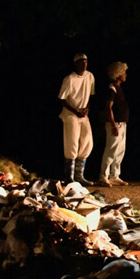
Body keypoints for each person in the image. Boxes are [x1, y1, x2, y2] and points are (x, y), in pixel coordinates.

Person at [58, 53, 95, 186]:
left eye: (86, 61)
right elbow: (62, 99)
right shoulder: (69, 79)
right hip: (70, 115)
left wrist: (87, 109)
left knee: (87, 142)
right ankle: (69, 177)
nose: (85, 64)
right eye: (82, 62)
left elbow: (91, 95)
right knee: (72, 143)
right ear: (76, 63)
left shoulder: (90, 76)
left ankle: (79, 175)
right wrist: (75, 111)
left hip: (83, 114)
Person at [99, 62, 129, 187]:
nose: (125, 75)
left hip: (121, 124)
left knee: (120, 150)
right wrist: (113, 125)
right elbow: (108, 107)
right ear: (118, 74)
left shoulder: (118, 88)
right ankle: (103, 176)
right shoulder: (112, 89)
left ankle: (114, 175)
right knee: (111, 150)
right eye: (124, 72)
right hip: (115, 124)